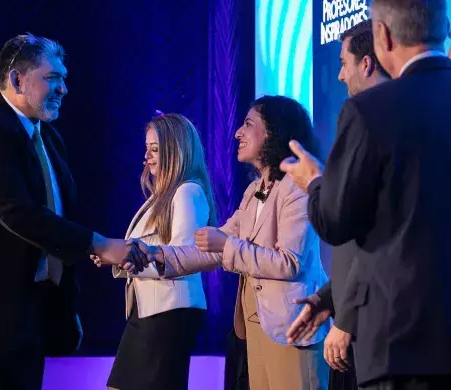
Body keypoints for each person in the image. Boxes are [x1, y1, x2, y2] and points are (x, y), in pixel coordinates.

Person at [0, 33, 141, 390]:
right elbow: (17, 213)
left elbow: (57, 216)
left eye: (64, 79)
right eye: (52, 78)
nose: (64, 89)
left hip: (26, 311)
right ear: (17, 79)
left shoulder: (48, 137)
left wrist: (82, 259)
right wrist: (98, 244)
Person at [280, 0, 451, 388]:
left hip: (401, 345)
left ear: (383, 35)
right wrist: (329, 299)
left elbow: (337, 222)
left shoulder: (370, 111)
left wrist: (314, 183)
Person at [127, 96, 330, 390]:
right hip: (256, 325)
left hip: (292, 325)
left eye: (248, 124)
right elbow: (209, 248)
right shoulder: (253, 191)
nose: (238, 133)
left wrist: (226, 245)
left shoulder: (296, 188)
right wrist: (155, 254)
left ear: (274, 132)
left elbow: (289, 263)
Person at [285, 19, 389, 390]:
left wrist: (315, 184)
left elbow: (362, 233)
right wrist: (329, 298)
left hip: (383, 332)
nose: (341, 76)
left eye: (344, 63)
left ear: (367, 63)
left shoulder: (370, 120)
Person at [105, 114, 216, 390]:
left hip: (169, 312)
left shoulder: (187, 192)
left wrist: (129, 259)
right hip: (149, 313)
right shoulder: (162, 195)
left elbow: (182, 257)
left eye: (155, 149)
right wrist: (118, 256)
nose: (147, 156)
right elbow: (148, 252)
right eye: (147, 148)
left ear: (175, 149)